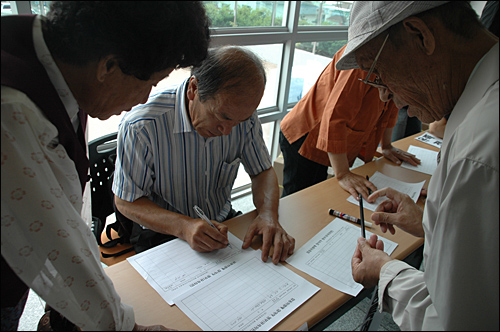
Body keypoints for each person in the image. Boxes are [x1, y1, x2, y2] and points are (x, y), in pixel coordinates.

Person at [1, 2, 211, 330]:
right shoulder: (12, 110)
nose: (145, 98)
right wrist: (125, 326)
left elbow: (62, 208)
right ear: (109, 67)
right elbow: (60, 240)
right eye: (150, 82)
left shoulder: (60, 65)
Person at [335, 1, 498, 330]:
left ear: (420, 35)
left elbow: (456, 322)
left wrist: (385, 272)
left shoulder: (477, 152)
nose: (383, 96)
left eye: (379, 74)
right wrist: (430, 222)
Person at [112, 45, 295, 266]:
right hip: (163, 233)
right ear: (194, 89)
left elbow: (262, 171)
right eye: (222, 117)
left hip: (220, 223)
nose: (227, 131)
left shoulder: (241, 115)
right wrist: (185, 226)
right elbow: (126, 202)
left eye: (238, 121)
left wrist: (267, 214)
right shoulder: (142, 126)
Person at [279, 45, 420, 201]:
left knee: (315, 197)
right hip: (307, 134)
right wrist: (343, 174)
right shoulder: (362, 59)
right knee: (299, 202)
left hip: (325, 139)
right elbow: (334, 117)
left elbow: (390, 108)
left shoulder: (396, 64)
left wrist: (386, 146)